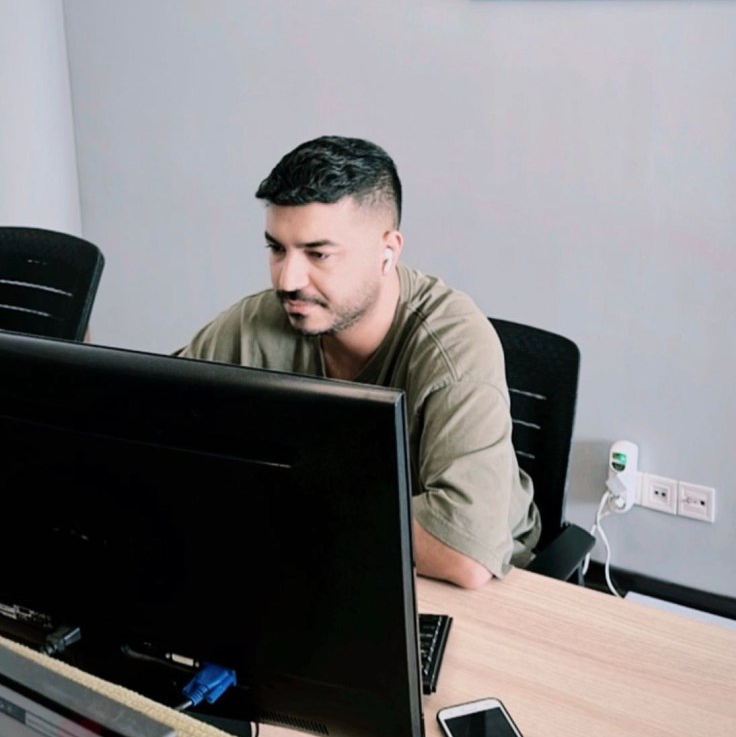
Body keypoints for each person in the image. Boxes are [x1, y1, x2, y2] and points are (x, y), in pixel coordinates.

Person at [177, 135, 541, 589]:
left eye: (318, 254)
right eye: (277, 249)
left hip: (484, 586)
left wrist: (274, 507)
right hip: (325, 561)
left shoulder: (455, 347)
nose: (287, 280)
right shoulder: (257, 322)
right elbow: (149, 431)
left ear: (387, 252)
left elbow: (462, 552)